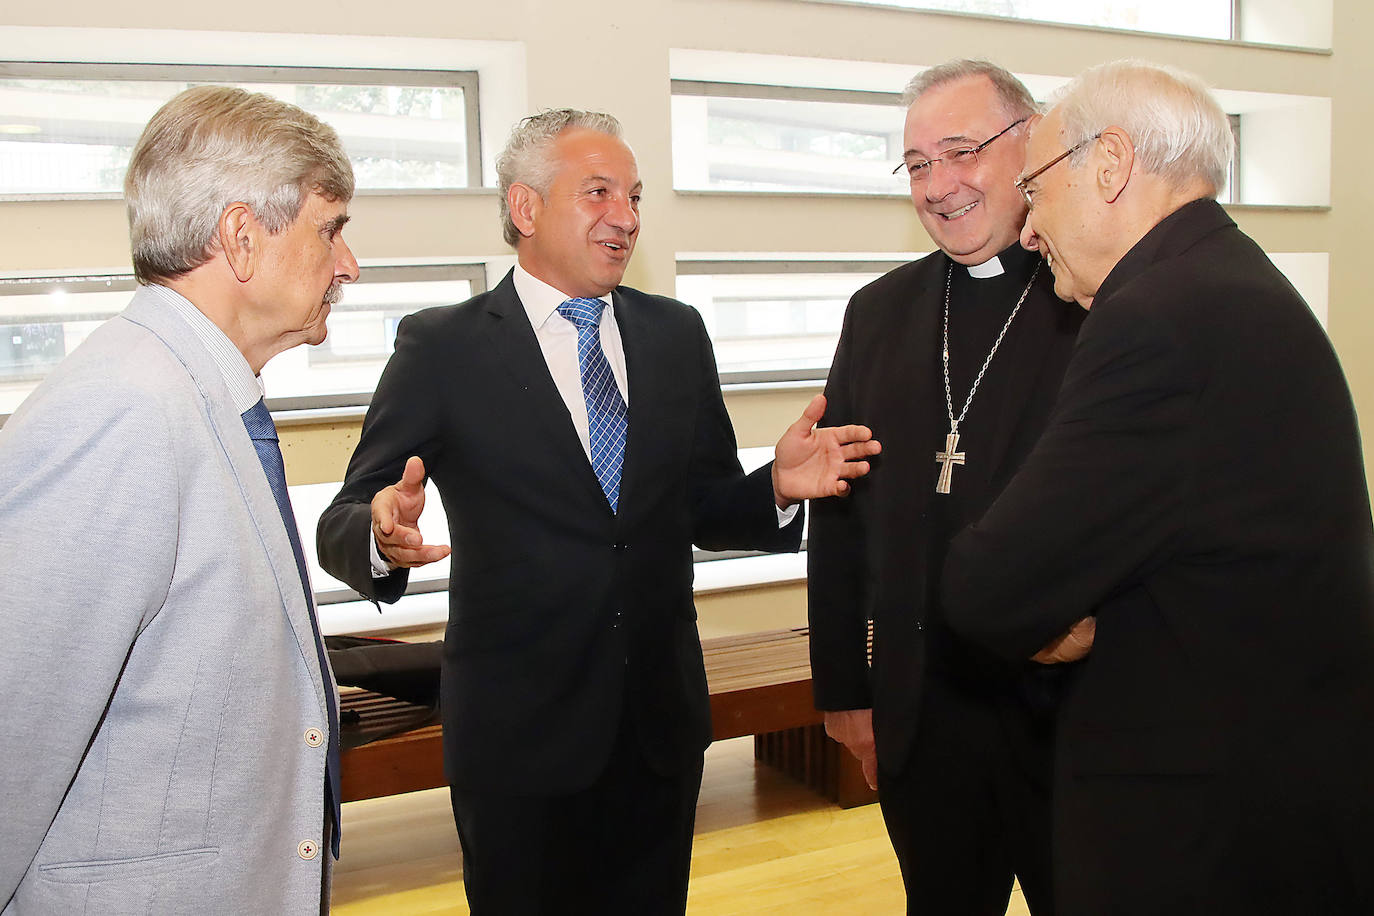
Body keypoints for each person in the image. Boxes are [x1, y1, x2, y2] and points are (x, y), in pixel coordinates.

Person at [316, 108, 879, 915]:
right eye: (599, 193)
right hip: (518, 740)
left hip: (659, 728)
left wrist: (777, 488)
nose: (627, 217)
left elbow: (703, 506)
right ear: (526, 208)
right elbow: (345, 513)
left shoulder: (675, 334)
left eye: (635, 195)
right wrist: (379, 531)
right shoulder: (444, 347)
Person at [943, 60, 1374, 915]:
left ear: (1109, 166)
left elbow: (988, 586)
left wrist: (1049, 620)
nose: (1027, 230)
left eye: (1033, 185)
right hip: (1286, 792)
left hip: (1203, 830)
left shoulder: (1158, 319)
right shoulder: (1234, 281)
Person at [0, 86, 359, 913]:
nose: (348, 264)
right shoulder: (121, 410)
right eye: (329, 228)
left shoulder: (201, 394)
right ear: (241, 238)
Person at [808, 60, 1083, 915]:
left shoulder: (1093, 296)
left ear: (1030, 141)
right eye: (918, 164)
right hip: (923, 714)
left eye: (960, 152)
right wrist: (845, 694)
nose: (939, 185)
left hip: (1071, 715)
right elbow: (838, 507)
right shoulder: (878, 311)